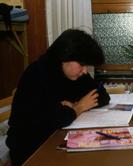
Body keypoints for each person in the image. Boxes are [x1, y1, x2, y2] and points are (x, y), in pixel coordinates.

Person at [6, 29, 110, 165]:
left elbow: (103, 96)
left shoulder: (74, 74)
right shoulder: (37, 73)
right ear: (66, 56)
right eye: (82, 64)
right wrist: (79, 107)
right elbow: (53, 119)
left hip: (57, 139)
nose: (85, 71)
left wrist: (72, 106)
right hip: (30, 149)